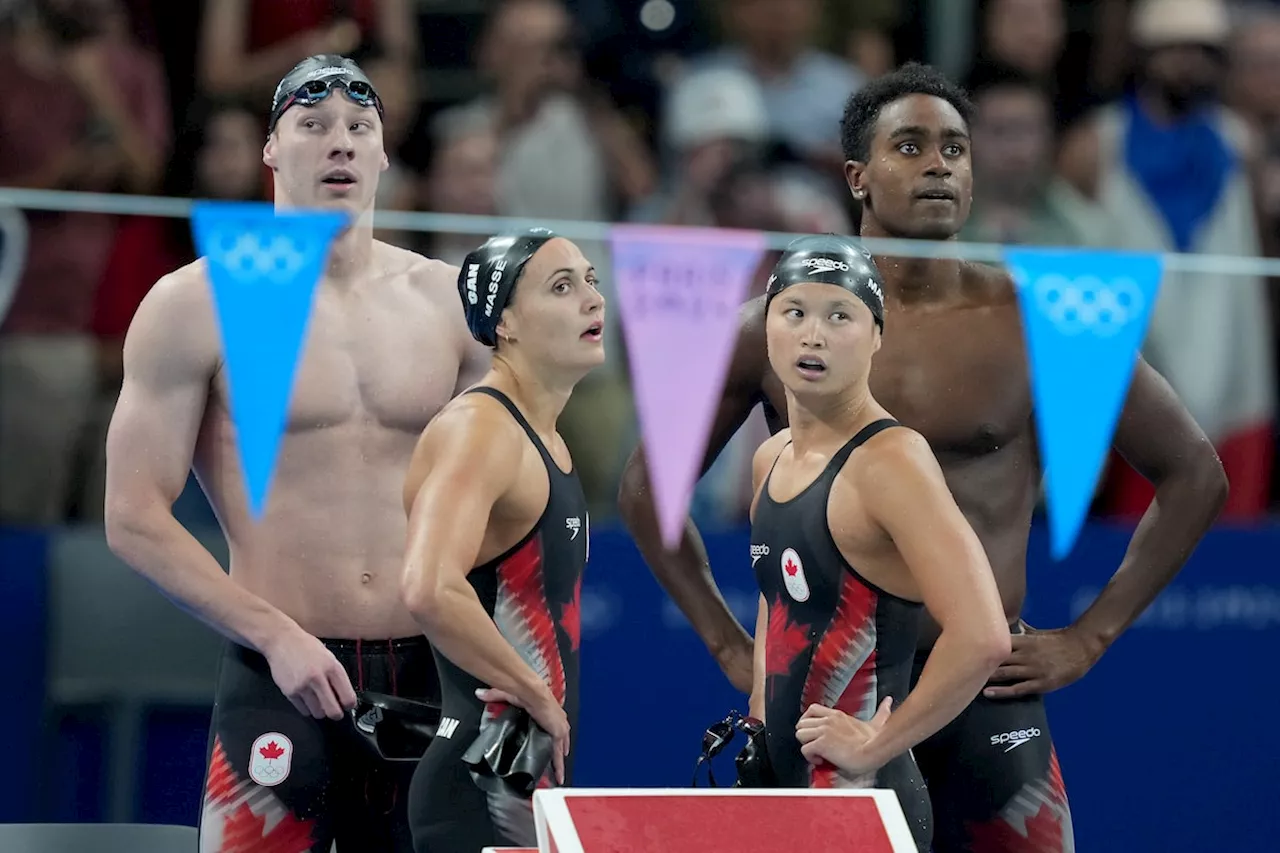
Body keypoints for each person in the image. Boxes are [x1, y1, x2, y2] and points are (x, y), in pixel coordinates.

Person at [618, 62, 1228, 852]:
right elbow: (645, 486)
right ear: (858, 177)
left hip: (983, 684)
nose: (939, 163)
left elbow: (1196, 474)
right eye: (910, 146)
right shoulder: (780, 324)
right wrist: (729, 645)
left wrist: (1090, 637)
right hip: (826, 691)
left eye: (955, 149)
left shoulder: (1040, 318)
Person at [104, 54, 491, 852]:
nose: (339, 144)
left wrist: (517, 668)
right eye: (313, 127)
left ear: (386, 152)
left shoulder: (454, 304)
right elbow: (133, 515)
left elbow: (516, 501)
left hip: (440, 673)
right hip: (281, 673)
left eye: (360, 128)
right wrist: (275, 635)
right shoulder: (196, 303)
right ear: (272, 152)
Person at [748, 235, 1010, 853]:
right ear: (768, 328)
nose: (814, 334)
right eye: (796, 313)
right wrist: (761, 718)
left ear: (876, 336)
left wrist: (875, 745)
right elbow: (778, 603)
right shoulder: (771, 457)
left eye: (840, 316)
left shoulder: (891, 461)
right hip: (781, 787)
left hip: (863, 801)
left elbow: (983, 635)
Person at [400, 228, 603, 852]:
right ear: (505, 322)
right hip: (479, 784)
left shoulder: (545, 438)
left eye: (591, 281)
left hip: (522, 772)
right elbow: (430, 586)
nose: (593, 300)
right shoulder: (481, 428)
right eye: (562, 287)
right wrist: (535, 692)